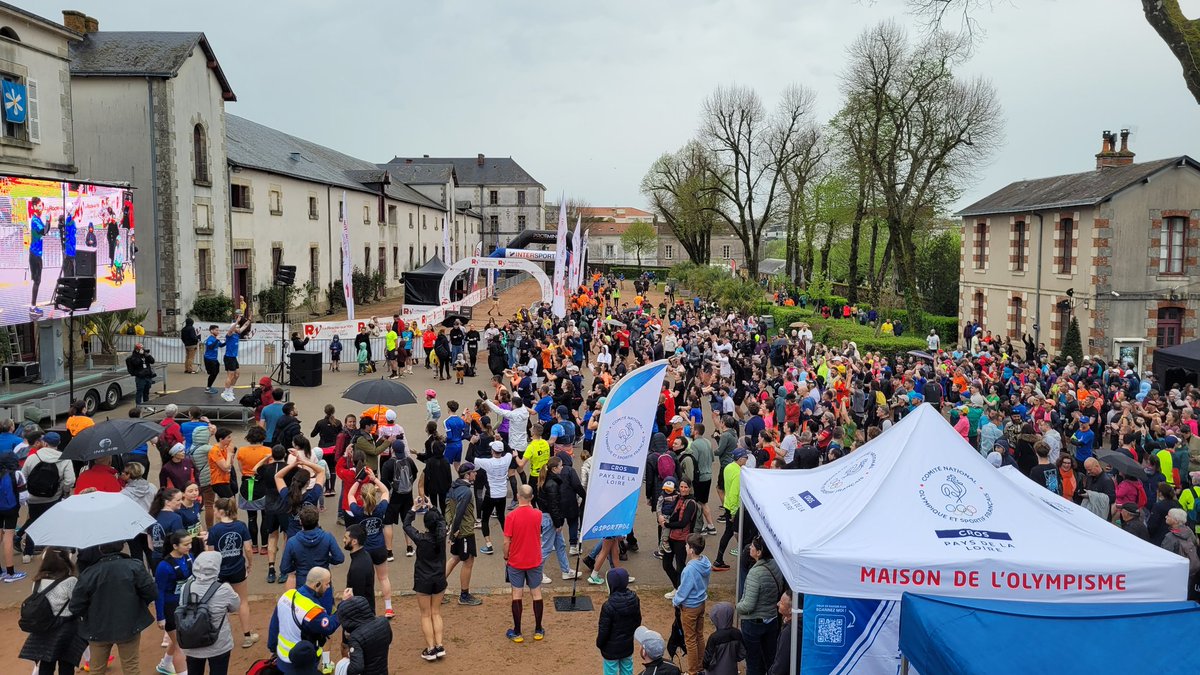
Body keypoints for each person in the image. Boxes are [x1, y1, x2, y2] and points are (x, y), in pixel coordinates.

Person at [70, 539, 157, 675]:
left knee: (96, 670)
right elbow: (151, 592)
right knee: (131, 668)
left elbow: (76, 605)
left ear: (100, 549)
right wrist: (137, 605)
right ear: (122, 546)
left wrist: (90, 615)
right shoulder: (134, 566)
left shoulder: (89, 573)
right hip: (129, 625)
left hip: (97, 628)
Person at [18, 547, 88, 675]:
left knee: (46, 664)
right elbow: (77, 604)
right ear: (66, 561)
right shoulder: (70, 581)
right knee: (66, 665)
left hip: (44, 628)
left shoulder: (37, 581)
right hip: (67, 628)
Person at [205, 497, 258, 649]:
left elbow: (211, 553)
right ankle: (247, 636)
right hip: (237, 569)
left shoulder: (214, 530)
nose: (213, 512)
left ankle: (216, 636)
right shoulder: (241, 526)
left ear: (221, 512)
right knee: (242, 601)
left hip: (220, 571)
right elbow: (248, 548)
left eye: (215, 509)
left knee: (216, 603)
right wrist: (249, 564)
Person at [267, 566, 341, 675]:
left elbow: (274, 626)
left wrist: (273, 649)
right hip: (302, 663)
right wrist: (343, 607)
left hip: (282, 658)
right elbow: (329, 626)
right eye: (327, 584)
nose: (328, 587)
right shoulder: (312, 610)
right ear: (317, 585)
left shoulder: (287, 595)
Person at [180, 550, 241, 675]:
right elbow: (235, 606)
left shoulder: (185, 587)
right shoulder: (224, 588)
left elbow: (182, 607)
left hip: (191, 643)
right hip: (218, 645)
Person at [404, 498, 448, 661]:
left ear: (426, 525)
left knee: (425, 615)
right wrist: (433, 507)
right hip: (439, 579)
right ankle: (439, 645)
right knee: (436, 613)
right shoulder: (441, 535)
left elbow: (406, 526)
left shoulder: (421, 539)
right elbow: (442, 519)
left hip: (423, 580)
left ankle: (430, 649)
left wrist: (413, 508)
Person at [346, 469, 394, 618]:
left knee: (366, 583)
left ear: (362, 497)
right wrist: (374, 479)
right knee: (384, 577)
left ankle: (364, 610)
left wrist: (359, 480)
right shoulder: (380, 509)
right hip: (379, 547)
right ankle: (388, 608)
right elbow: (386, 492)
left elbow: (349, 495)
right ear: (375, 495)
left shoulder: (358, 511)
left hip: (364, 551)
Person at [22, 432, 75, 563]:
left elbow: (24, 477)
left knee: (33, 522)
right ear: (58, 444)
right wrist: (64, 491)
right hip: (53, 498)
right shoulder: (65, 459)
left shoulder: (33, 457)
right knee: (55, 523)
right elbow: (70, 480)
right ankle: (54, 554)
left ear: (44, 443)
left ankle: (27, 554)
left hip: (33, 498)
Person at [736, 536, 784, 675]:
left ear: (759, 552)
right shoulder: (776, 564)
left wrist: (738, 606)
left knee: (753, 660)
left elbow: (748, 605)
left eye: (752, 546)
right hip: (772, 618)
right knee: (770, 657)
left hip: (754, 622)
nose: (749, 548)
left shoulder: (755, 573)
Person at [504, 484, 545, 643]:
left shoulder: (511, 517)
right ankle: (538, 629)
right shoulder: (538, 514)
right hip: (534, 559)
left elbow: (507, 541)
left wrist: (506, 556)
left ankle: (518, 631)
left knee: (517, 594)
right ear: (532, 497)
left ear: (517, 495)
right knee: (536, 593)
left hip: (516, 560)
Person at [155, 530, 194, 675]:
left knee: (178, 638)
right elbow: (159, 593)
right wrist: (160, 617)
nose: (189, 546)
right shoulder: (163, 567)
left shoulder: (189, 558)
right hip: (170, 608)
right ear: (175, 546)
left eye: (190, 543)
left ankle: (165, 664)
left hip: (186, 604)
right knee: (180, 645)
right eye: (186, 544)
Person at [280, 504, 344, 592]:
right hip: (323, 583)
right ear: (317, 520)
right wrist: (327, 559)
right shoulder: (327, 537)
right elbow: (339, 558)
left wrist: (298, 565)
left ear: (300, 522)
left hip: (303, 584)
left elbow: (284, 568)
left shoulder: (292, 542)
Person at [444, 462, 483, 605]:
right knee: (468, 561)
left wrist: (450, 526)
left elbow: (448, 507)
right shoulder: (466, 491)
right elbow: (460, 512)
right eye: (473, 472)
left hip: (457, 529)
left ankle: (437, 589)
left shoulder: (453, 487)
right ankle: (464, 596)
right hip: (464, 531)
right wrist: (453, 532)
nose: (476, 474)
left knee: (454, 558)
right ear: (467, 474)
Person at [673, 533, 711, 675]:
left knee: (690, 640)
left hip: (690, 607)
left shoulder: (689, 569)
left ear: (691, 550)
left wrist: (675, 601)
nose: (685, 546)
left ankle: (693, 671)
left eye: (687, 545)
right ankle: (700, 666)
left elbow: (683, 591)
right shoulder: (705, 562)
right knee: (699, 635)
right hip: (701, 603)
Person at [596, 567, 641, 675]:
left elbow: (604, 630)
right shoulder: (634, 599)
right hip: (627, 646)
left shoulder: (608, 606)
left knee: (610, 671)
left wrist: (600, 643)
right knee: (627, 670)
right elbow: (637, 621)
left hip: (610, 649)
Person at [333, 594, 391, 675]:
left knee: (342, 664)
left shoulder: (355, 637)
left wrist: (344, 669)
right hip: (383, 670)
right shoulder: (384, 622)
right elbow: (388, 640)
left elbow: (356, 668)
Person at [712, 449, 748, 572]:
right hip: (734, 508)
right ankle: (742, 560)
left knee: (728, 533)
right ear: (740, 459)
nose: (747, 459)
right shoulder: (739, 474)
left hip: (728, 504)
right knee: (736, 533)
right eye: (745, 457)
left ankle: (719, 559)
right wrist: (733, 513)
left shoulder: (729, 467)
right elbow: (734, 494)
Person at [476, 440, 511, 555]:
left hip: (491, 494)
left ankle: (488, 545)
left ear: (492, 451)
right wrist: (501, 440)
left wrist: (471, 443)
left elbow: (470, 457)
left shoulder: (488, 462)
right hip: (502, 493)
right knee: (502, 517)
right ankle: (510, 542)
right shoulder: (507, 459)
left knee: (484, 519)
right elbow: (509, 449)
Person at [0, 453, 26, 581]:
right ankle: (10, 573)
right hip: (11, 508)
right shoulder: (17, 474)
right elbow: (24, 495)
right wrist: (19, 505)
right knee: (8, 537)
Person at [342, 524, 375, 613]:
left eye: (346, 538)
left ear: (354, 542)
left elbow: (357, 597)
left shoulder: (357, 567)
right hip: (368, 611)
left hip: (361, 617)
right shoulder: (365, 555)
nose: (343, 540)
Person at [766, 593, 795, 675]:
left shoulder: (789, 632)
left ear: (790, 610)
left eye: (782, 603)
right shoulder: (791, 624)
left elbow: (782, 662)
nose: (778, 604)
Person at [126, 343, 157, 409]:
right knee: (139, 392)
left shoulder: (145, 355)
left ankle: (146, 405)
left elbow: (152, 361)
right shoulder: (134, 356)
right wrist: (139, 355)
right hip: (140, 377)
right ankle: (138, 406)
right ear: (137, 349)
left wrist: (147, 355)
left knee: (146, 392)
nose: (142, 350)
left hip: (148, 376)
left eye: (143, 348)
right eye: (141, 349)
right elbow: (136, 363)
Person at [202, 326, 224, 394]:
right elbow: (211, 347)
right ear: (211, 331)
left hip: (214, 359)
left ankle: (209, 386)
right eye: (216, 330)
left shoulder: (215, 338)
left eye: (218, 330)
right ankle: (208, 388)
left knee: (216, 372)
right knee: (213, 373)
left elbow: (220, 345)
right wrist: (217, 340)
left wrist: (228, 342)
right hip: (209, 359)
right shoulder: (210, 339)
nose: (218, 332)